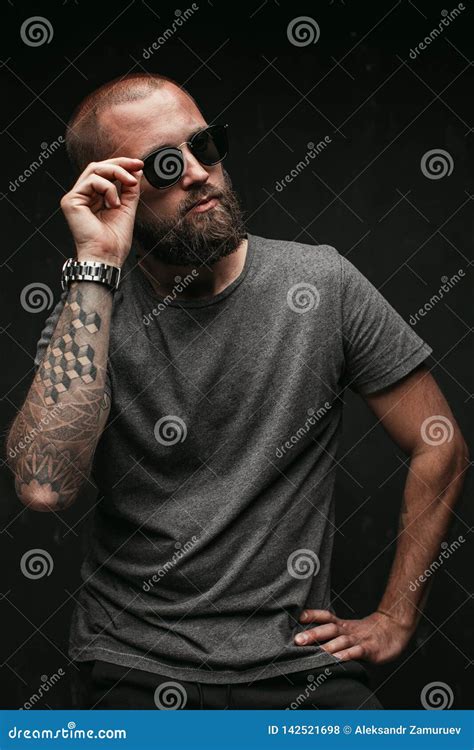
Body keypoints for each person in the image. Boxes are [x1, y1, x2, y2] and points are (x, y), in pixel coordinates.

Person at [6, 73, 469, 710]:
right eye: (166, 165)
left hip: (300, 662)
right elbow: (43, 486)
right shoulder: (89, 318)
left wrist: (396, 615)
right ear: (115, 188)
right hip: (133, 661)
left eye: (206, 146)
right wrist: (97, 264)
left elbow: (438, 442)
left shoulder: (321, 285)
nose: (198, 172)